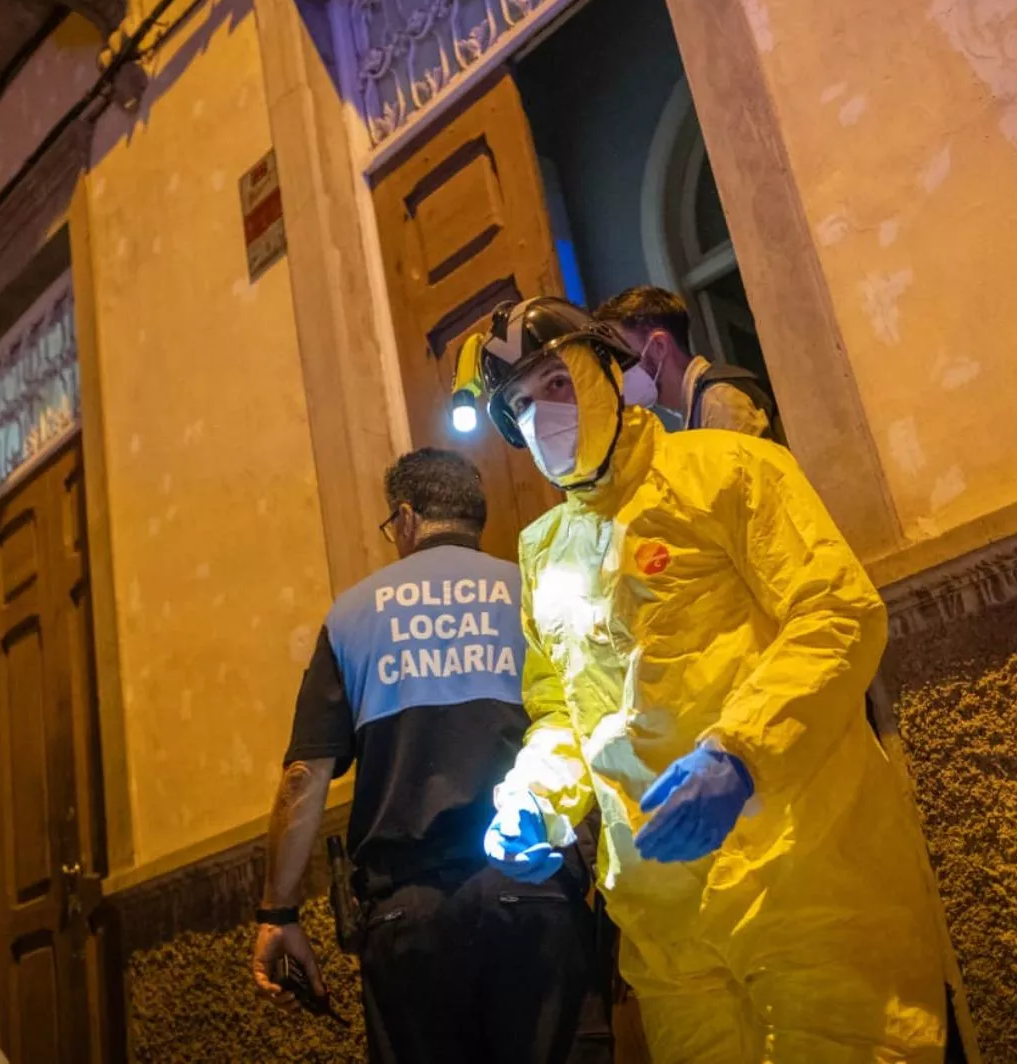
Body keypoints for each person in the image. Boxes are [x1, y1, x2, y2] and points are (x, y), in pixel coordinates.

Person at [474, 297, 949, 1063]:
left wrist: (742, 754)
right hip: (666, 928)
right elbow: (561, 708)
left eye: (556, 383)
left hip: (806, 877)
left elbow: (836, 613)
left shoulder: (731, 470)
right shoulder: (544, 551)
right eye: (520, 405)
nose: (541, 417)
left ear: (604, 372)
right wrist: (538, 793)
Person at [252, 448, 610, 1064]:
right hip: (536, 897)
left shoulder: (351, 618)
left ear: (408, 518)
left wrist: (277, 911)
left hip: (409, 919)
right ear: (475, 518)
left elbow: (302, 779)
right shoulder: (530, 592)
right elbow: (597, 734)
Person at [593, 285, 781, 442]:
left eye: (621, 355)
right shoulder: (699, 407)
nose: (616, 370)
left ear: (659, 346)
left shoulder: (719, 401)